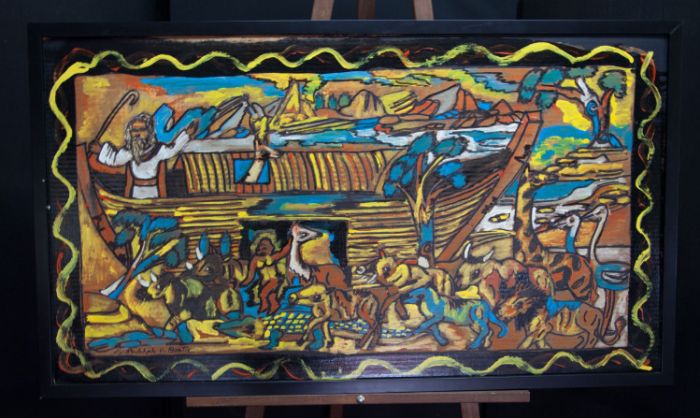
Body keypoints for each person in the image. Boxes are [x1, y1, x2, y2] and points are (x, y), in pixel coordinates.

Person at [90, 113, 197, 199]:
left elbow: (172, 150)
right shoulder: (129, 152)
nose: (137, 133)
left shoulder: (158, 150)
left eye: (142, 129)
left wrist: (186, 135)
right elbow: (115, 160)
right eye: (134, 130)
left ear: (149, 132)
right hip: (135, 193)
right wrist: (100, 151)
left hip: (153, 193)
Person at [241, 232, 292, 315]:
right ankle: (273, 309)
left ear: (271, 248)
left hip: (274, 280)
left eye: (264, 248)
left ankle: (264, 308)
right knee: (271, 296)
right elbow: (250, 276)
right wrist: (242, 284)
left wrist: (290, 240)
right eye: (259, 249)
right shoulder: (255, 260)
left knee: (263, 294)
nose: (261, 250)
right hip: (263, 282)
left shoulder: (273, 257)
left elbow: (283, 252)